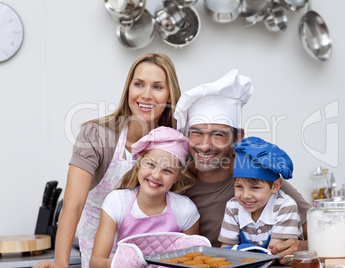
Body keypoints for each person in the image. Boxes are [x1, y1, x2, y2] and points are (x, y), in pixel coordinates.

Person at [34, 53, 182, 268]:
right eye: (139, 84)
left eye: (158, 87)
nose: (146, 95)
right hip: (100, 260)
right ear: (128, 89)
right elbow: (73, 205)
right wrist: (60, 263)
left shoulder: (175, 143)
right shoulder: (95, 135)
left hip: (154, 260)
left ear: (170, 95)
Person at [173, 69, 311, 265]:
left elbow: (321, 235)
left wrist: (302, 247)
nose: (205, 145)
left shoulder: (259, 175)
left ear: (237, 138)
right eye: (196, 133)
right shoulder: (174, 180)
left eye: (218, 135)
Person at [90, 126, 200, 268]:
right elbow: (95, 263)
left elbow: (191, 262)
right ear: (139, 164)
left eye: (167, 170)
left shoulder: (185, 210)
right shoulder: (117, 202)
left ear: (177, 177)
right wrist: (123, 263)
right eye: (150, 164)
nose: (155, 175)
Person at [219, 136, 303, 251]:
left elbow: (274, 253)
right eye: (239, 186)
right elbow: (226, 249)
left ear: (275, 186)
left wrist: (238, 252)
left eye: (255, 187)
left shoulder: (285, 207)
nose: (245, 195)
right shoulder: (233, 207)